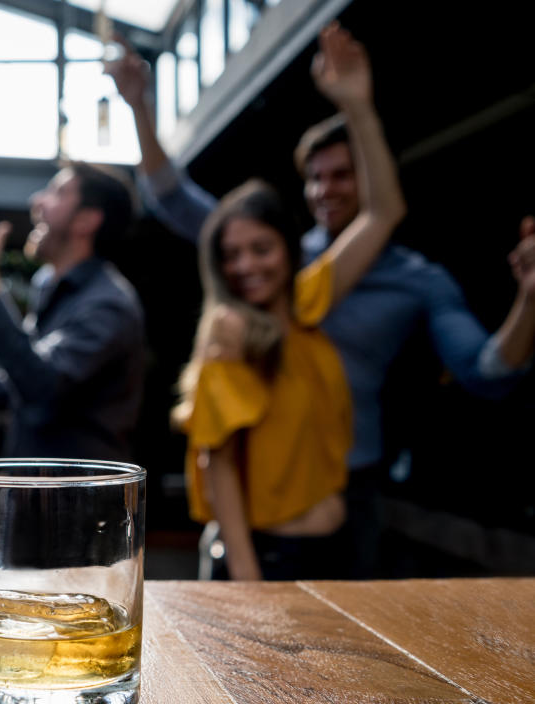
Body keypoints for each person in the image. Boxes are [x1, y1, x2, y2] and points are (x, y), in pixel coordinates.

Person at [108, 31, 535, 575]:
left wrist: (356, 103)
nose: (247, 264)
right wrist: (140, 106)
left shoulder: (318, 293)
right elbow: (173, 197)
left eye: (342, 174)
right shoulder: (253, 307)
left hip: (351, 505)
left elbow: (486, 368)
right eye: (315, 177)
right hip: (265, 529)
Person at [173, 24, 406, 581]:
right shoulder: (229, 330)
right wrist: (250, 584)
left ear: (288, 247)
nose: (246, 266)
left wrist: (358, 109)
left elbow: (382, 213)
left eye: (261, 248)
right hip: (269, 557)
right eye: (231, 255)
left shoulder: (306, 306)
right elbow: (218, 463)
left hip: (337, 547)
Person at [0, 165, 145, 462]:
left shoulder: (109, 304)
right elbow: (29, 367)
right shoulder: (46, 283)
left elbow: (42, 386)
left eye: (57, 192)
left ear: (86, 220)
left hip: (80, 497)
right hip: (37, 489)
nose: (37, 201)